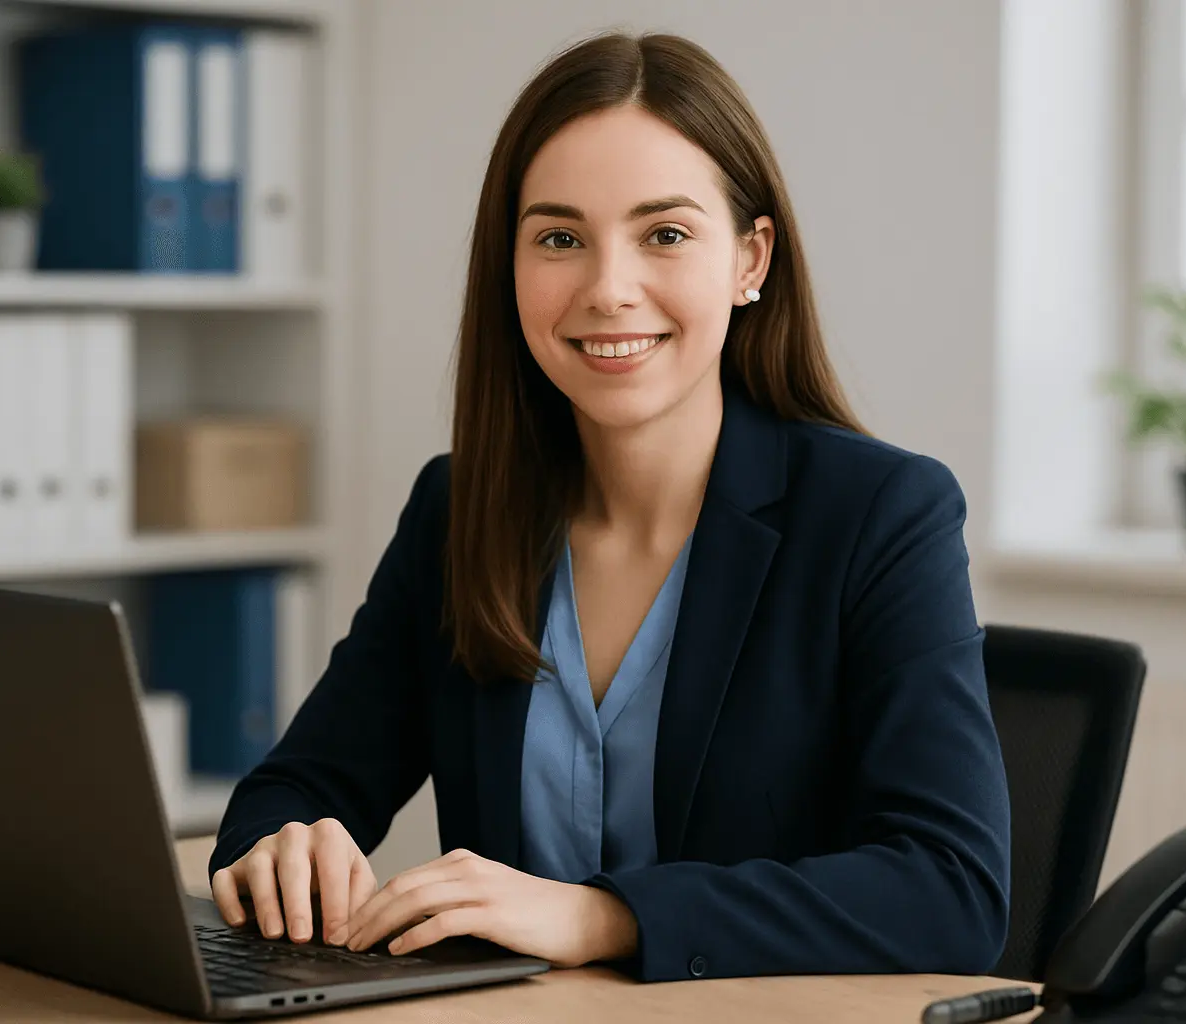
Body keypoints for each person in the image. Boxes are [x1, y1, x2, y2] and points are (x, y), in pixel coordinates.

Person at [208, 30, 1011, 983]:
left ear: (751, 260)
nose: (607, 289)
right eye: (559, 239)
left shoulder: (881, 514)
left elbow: (952, 892)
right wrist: (286, 848)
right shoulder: (461, 508)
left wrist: (603, 918)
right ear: (509, 268)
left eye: (664, 234)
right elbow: (297, 787)